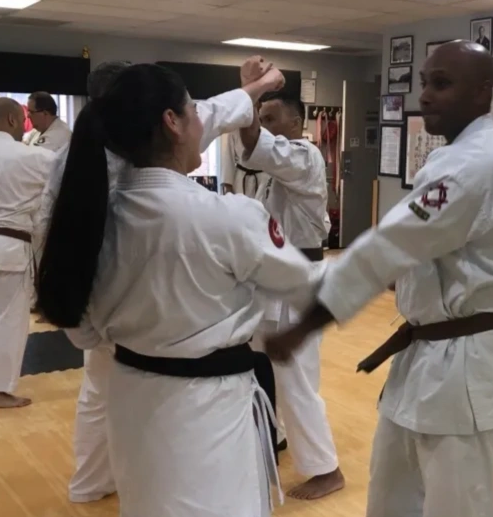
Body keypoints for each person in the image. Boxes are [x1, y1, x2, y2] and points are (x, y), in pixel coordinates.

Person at [36, 62, 324, 517]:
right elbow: (307, 286)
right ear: (172, 122)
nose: (201, 120)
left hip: (131, 391)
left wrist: (255, 88)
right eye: (192, 110)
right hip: (209, 408)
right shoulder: (228, 216)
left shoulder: (89, 218)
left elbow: (84, 331)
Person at [265, 40, 493, 517]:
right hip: (424, 353)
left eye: (441, 84)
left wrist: (305, 325)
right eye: (424, 82)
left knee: (457, 505)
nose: (424, 95)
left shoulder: (474, 165)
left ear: (482, 91)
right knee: (390, 496)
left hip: (464, 365)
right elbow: (417, 247)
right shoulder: (454, 157)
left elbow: (387, 247)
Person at [33, 60, 131, 504]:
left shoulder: (66, 157)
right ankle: (126, 484)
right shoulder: (128, 157)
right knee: (130, 392)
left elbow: (44, 229)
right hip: (119, 295)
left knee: (98, 390)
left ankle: (92, 483)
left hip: (89, 292)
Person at [240, 90, 344, 500]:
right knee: (261, 362)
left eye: (270, 118)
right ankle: (277, 435)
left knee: (297, 378)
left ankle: (326, 469)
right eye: (260, 117)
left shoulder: (304, 156)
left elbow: (255, 145)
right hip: (273, 278)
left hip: (298, 279)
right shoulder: (277, 169)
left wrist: (245, 94)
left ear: (296, 124)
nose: (263, 125)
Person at [0, 98, 55, 409]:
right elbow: (62, 175)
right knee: (8, 319)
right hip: (8, 247)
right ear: (11, 120)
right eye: (23, 119)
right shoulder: (32, 157)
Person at [220, 129, 267, 197]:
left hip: (263, 178)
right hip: (240, 178)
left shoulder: (265, 129)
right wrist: (228, 186)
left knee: (261, 205)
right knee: (240, 205)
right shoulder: (234, 130)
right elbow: (228, 158)